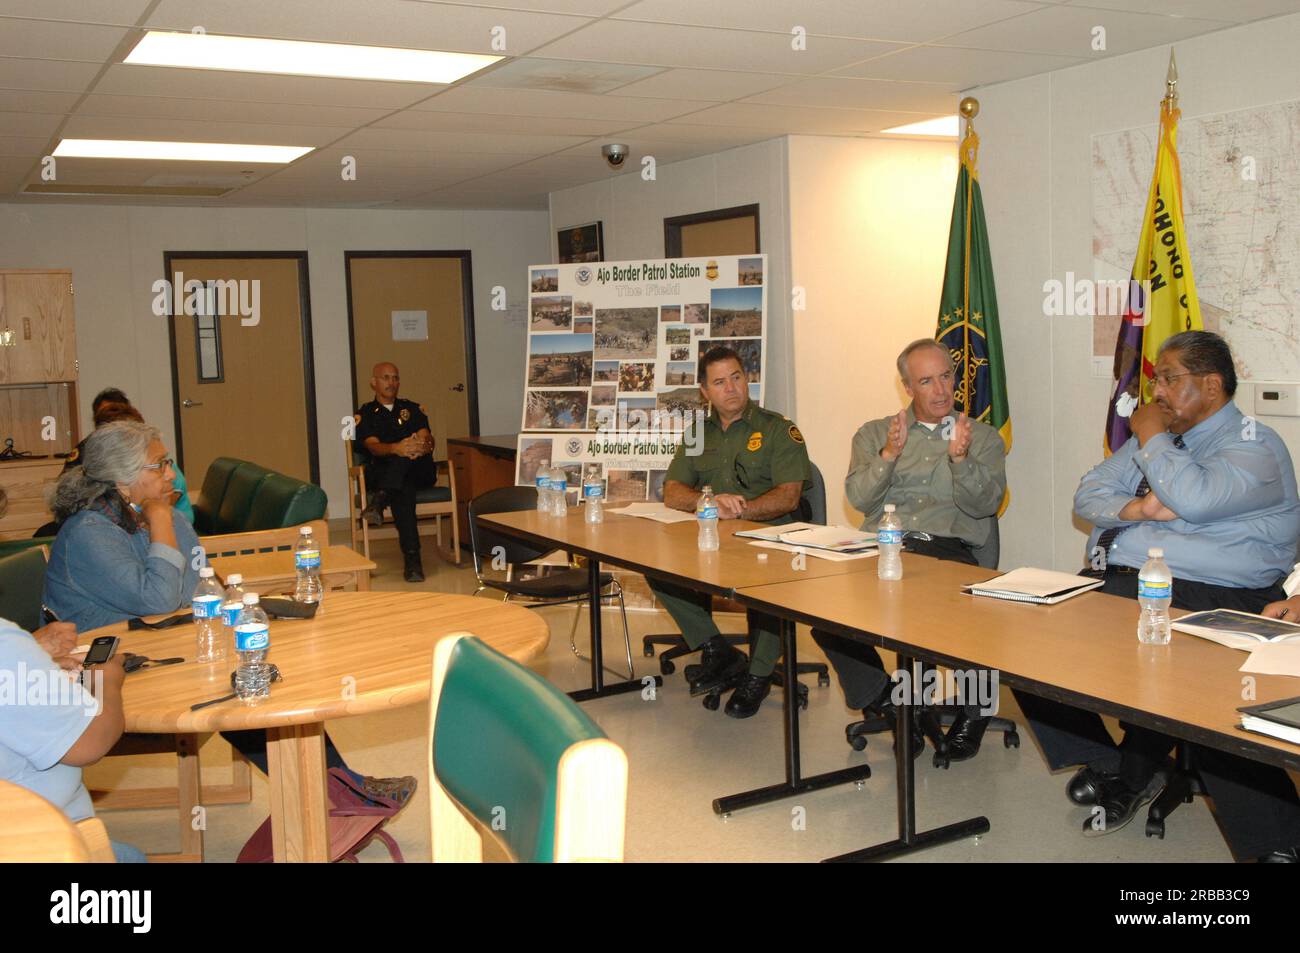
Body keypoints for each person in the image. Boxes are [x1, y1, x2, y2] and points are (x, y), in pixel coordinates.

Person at [1021, 331, 1300, 860]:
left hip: (1224, 594)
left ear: (1212, 385)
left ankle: (1273, 839)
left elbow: (1192, 498)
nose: (1157, 393)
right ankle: (1115, 760)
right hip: (1134, 580)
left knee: (1200, 698)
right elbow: (1089, 493)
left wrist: (1151, 440)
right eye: (1157, 380)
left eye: (1170, 378)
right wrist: (1141, 509)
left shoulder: (1254, 444)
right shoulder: (1166, 440)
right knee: (1027, 641)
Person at [42, 421, 415, 805]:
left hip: (157, 652)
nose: (172, 474)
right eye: (160, 465)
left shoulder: (164, 516)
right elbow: (159, 599)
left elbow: (201, 590)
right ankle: (344, 796)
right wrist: (161, 521)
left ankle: (339, 791)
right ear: (122, 479)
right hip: (98, 678)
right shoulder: (89, 532)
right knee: (237, 687)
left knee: (256, 671)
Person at [812, 339, 1007, 761]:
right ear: (907, 387)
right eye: (926, 381)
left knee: (958, 620)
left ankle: (975, 710)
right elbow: (860, 500)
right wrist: (889, 454)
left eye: (946, 376)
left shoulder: (983, 437)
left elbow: (986, 505)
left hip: (947, 551)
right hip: (882, 548)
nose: (940, 389)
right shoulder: (873, 433)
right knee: (823, 614)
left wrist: (960, 461)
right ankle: (888, 699)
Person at [651, 345, 812, 718]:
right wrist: (708, 504)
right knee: (657, 566)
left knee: (771, 589)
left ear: (747, 379)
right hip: (713, 537)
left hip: (769, 536)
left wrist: (740, 510)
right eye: (719, 382)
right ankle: (715, 647)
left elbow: (789, 497)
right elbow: (673, 491)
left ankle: (757, 674)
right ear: (705, 393)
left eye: (737, 377)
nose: (731, 388)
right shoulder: (697, 433)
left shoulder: (778, 429)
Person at [0, 614, 145, 862]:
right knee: (132, 858)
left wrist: (35, 660)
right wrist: (105, 679)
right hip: (31, 838)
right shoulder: (5, 645)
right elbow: (89, 744)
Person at [35, 390, 193, 536]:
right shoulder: (95, 529)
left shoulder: (173, 516)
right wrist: (159, 519)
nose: (170, 474)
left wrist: (159, 517)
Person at [354, 363, 437, 583]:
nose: (391, 383)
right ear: (374, 382)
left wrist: (420, 445)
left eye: (395, 378)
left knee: (405, 467)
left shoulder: (412, 408)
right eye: (385, 378)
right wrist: (396, 448)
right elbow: (372, 447)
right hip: (386, 473)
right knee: (403, 488)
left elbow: (426, 437)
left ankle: (380, 501)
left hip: (421, 470)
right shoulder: (366, 414)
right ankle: (413, 562)